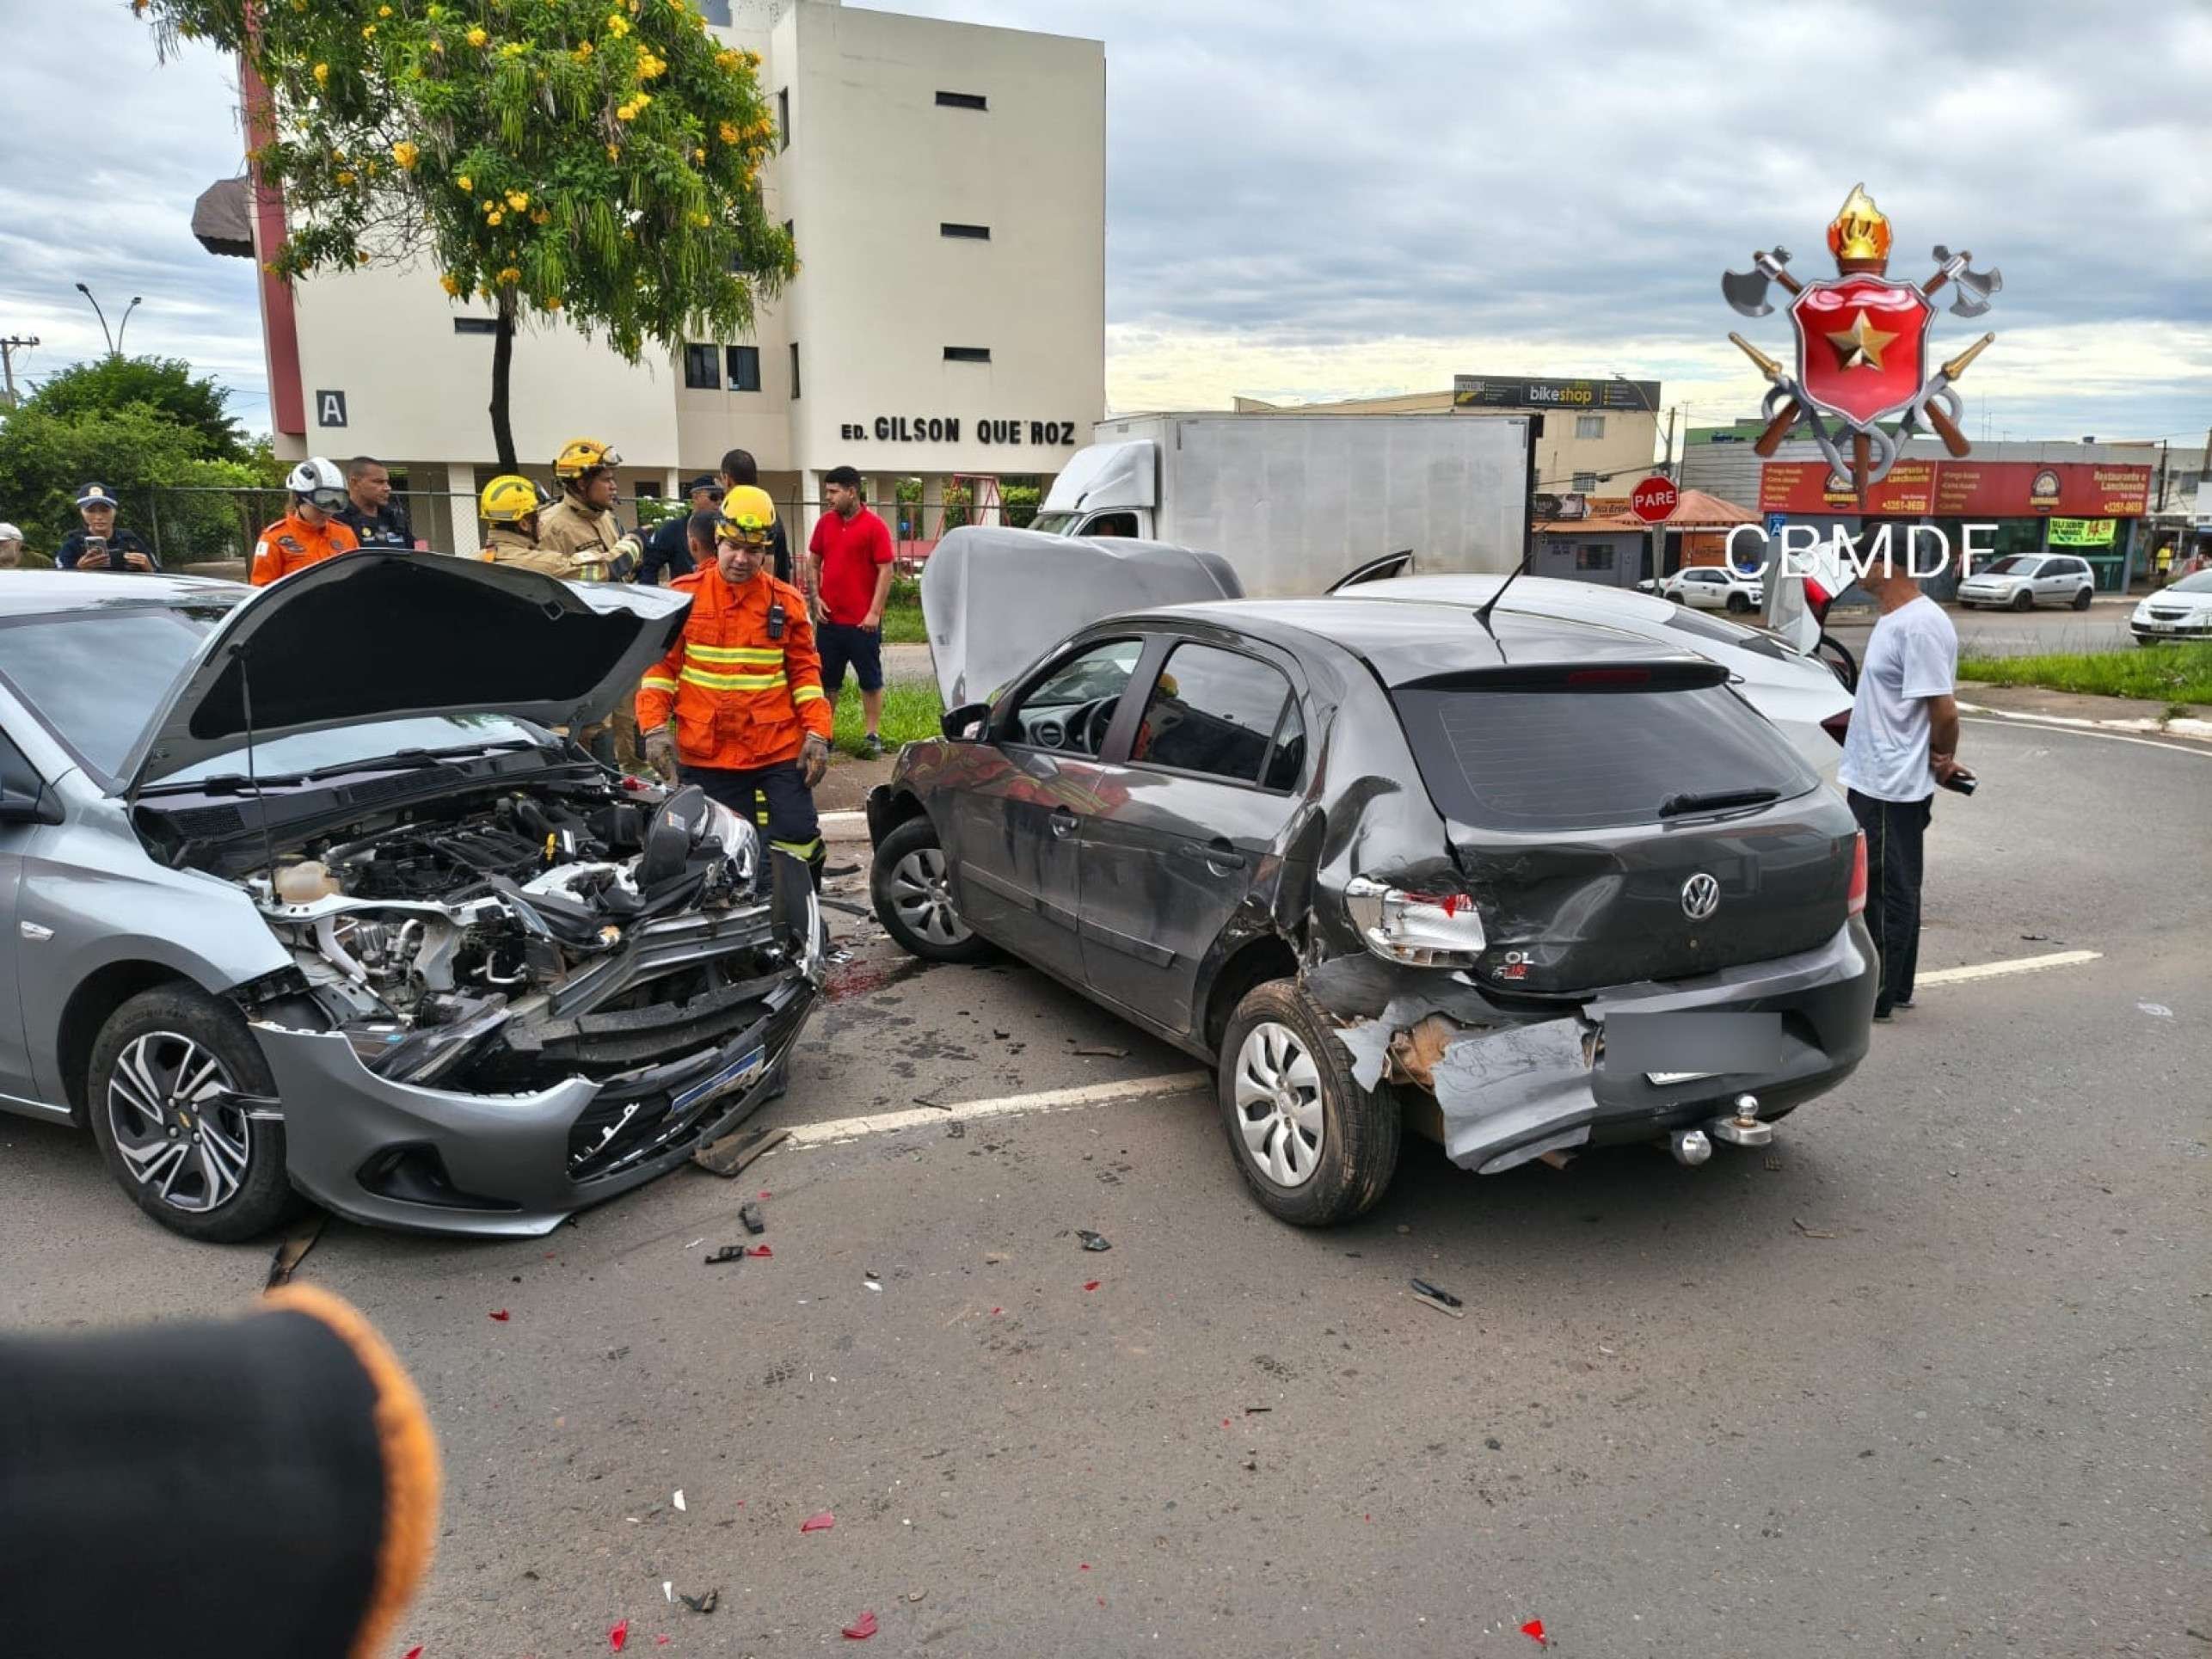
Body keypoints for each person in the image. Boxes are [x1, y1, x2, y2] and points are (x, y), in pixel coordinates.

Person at [638, 484, 832, 885]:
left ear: (766, 551)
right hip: (708, 753)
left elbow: (805, 675)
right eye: (734, 547)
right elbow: (660, 670)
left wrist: (817, 733)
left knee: (798, 835)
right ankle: (742, 912)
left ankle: (797, 906)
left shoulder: (786, 602)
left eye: (753, 551)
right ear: (718, 540)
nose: (742, 559)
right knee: (719, 847)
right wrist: (654, 729)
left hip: (776, 748)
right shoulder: (683, 598)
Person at [1836, 548, 1972, 1022]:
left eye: (1859, 559)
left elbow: (1945, 711)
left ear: (1886, 565)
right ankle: (1896, 986)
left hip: (1890, 784)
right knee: (1888, 884)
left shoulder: (1919, 625)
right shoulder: (1894, 618)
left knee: (1885, 889)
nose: (1853, 569)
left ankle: (1880, 993)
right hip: (1876, 775)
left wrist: (1943, 758)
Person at [806, 464, 895, 757]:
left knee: (870, 680)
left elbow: (886, 570)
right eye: (827, 492)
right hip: (830, 621)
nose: (828, 498)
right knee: (827, 682)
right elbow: (813, 562)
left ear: (852, 492)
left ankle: (871, 735)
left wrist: (874, 612)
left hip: (862, 624)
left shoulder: (875, 526)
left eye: (833, 492)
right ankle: (825, 733)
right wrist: (815, 598)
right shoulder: (825, 524)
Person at [537, 437, 643, 581]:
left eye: (613, 479)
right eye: (606, 480)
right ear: (582, 484)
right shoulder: (550, 527)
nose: (614, 486)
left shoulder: (606, 517)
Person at [249, 458, 361, 586]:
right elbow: (261, 588)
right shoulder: (273, 538)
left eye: (332, 510)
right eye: (319, 510)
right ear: (298, 498)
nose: (327, 515)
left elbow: (357, 578)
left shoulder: (345, 534)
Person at [720, 448, 791, 583]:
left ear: (727, 479)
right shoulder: (767, 511)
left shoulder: (734, 513)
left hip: (762, 593)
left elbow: (767, 564)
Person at [638, 475, 724, 586]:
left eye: (722, 497)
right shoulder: (674, 529)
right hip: (685, 592)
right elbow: (649, 568)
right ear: (695, 497)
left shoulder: (726, 529)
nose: (719, 502)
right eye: (714, 497)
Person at [55, 483, 157, 574]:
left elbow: (159, 575)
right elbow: (59, 581)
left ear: (115, 512)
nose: (99, 516)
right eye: (91, 511)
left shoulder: (131, 541)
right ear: (82, 513)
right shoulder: (73, 545)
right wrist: (78, 569)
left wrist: (149, 569)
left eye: (105, 510)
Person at [475, 474, 559, 568]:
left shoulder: (475, 561)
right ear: (524, 525)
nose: (542, 523)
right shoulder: (548, 564)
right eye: (537, 518)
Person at [334, 455, 415, 550]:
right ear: (355, 483)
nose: (387, 488)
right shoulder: (337, 520)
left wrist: (424, 550)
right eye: (379, 482)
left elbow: (415, 548)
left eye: (387, 482)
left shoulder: (393, 517)